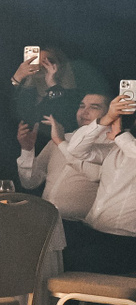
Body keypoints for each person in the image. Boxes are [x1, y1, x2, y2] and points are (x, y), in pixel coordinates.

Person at [19, 93, 112, 239]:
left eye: (94, 107)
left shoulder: (113, 145)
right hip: (43, 220)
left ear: (109, 114)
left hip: (81, 230)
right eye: (81, 106)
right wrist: (27, 149)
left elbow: (95, 175)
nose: (84, 112)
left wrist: (61, 142)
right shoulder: (60, 138)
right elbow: (30, 182)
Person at [70, 92, 136, 274]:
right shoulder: (115, 149)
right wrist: (106, 118)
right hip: (91, 230)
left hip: (124, 242)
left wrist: (120, 135)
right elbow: (75, 149)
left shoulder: (123, 141)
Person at [11, 45, 103, 138]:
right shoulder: (25, 93)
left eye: (48, 61)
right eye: (35, 61)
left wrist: (53, 85)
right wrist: (17, 77)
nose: (42, 66)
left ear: (60, 66)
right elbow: (6, 109)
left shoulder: (72, 95)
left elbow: (64, 118)